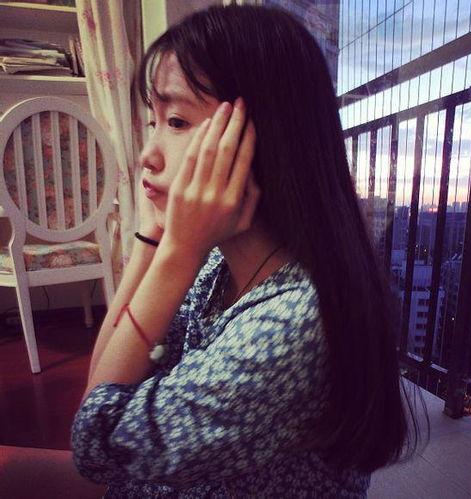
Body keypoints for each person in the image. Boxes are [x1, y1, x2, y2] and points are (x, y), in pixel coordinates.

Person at [71, 4, 427, 498]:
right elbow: (105, 382)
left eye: (176, 121)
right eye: (153, 122)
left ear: (260, 139)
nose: (147, 155)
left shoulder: (294, 324)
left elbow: (94, 440)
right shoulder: (221, 265)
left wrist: (175, 252)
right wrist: (156, 239)